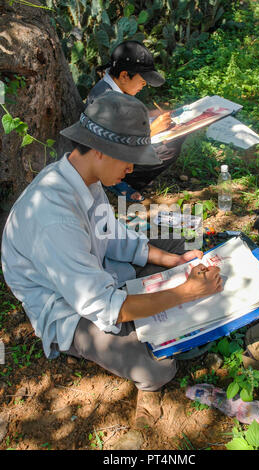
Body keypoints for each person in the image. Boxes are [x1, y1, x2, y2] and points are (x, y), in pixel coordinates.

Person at [1, 91, 222, 428]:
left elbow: (112, 232)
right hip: (66, 306)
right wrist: (186, 293)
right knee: (155, 367)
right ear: (100, 152)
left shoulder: (85, 176)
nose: (131, 169)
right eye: (127, 160)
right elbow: (104, 305)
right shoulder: (53, 216)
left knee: (177, 245)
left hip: (97, 273)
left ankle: (169, 294)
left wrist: (170, 260)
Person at [87, 40, 186, 202]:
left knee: (176, 133)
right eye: (142, 80)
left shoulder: (114, 87)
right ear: (124, 75)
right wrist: (152, 130)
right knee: (168, 147)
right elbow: (110, 144)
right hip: (107, 160)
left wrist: (150, 114)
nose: (144, 85)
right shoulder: (105, 99)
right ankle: (120, 182)